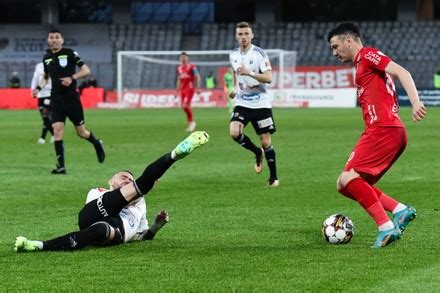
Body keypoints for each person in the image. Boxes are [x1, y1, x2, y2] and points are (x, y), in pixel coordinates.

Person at [14, 131, 209, 252]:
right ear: (110, 181)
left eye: (130, 179)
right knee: (136, 190)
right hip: (94, 215)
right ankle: (174, 155)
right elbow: (100, 209)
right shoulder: (97, 192)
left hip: (115, 232)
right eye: (123, 176)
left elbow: (141, 236)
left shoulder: (141, 204)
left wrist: (156, 226)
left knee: (102, 229)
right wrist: (136, 191)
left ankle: (37, 245)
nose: (127, 179)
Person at [327, 22, 427, 248]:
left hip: (383, 129)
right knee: (345, 185)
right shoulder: (361, 64)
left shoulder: (368, 55)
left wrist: (415, 102)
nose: (334, 52)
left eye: (336, 46)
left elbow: (402, 71)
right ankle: (400, 211)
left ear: (349, 40)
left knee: (348, 179)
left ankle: (386, 226)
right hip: (387, 130)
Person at [32, 29, 105, 174]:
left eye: (56, 37)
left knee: (81, 132)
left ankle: (97, 144)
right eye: (51, 37)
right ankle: (61, 166)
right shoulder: (46, 58)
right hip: (56, 99)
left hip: (71, 99)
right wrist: (38, 88)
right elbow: (46, 77)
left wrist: (71, 78)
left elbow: (86, 71)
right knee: (57, 131)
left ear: (61, 40)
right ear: (48, 40)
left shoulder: (70, 53)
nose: (54, 40)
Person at [229, 21, 279, 187]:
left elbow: (269, 78)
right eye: (240, 34)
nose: (243, 37)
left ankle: (273, 177)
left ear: (252, 35)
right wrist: (235, 90)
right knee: (234, 132)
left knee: (265, 141)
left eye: (246, 34)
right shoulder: (233, 55)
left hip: (260, 103)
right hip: (242, 101)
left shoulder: (259, 54)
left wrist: (249, 72)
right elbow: (238, 76)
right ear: (236, 36)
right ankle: (257, 152)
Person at [176, 52, 201, 132]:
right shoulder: (179, 68)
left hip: (189, 88)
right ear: (180, 59)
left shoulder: (192, 67)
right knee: (183, 107)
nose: (183, 58)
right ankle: (191, 123)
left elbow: (197, 76)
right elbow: (179, 79)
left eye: (184, 57)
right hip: (183, 89)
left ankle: (192, 122)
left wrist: (198, 88)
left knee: (185, 105)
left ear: (187, 58)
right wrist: (177, 89)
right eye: (181, 57)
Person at [31, 61, 54, 144]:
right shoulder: (39, 66)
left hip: (50, 94)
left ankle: (42, 138)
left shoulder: (54, 64)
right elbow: (35, 78)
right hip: (41, 94)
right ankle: (53, 134)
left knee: (46, 115)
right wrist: (33, 89)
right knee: (45, 118)